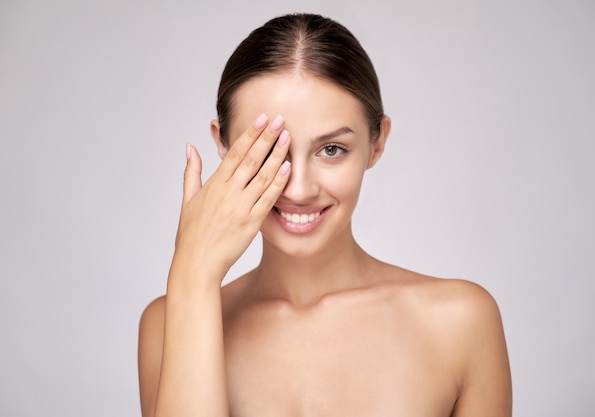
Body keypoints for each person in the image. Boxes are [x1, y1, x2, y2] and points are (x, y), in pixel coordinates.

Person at [138, 12, 511, 417]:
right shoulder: (168, 323)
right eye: (268, 151)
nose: (298, 189)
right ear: (224, 146)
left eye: (331, 150)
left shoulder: (461, 323)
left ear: (377, 142)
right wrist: (192, 272)